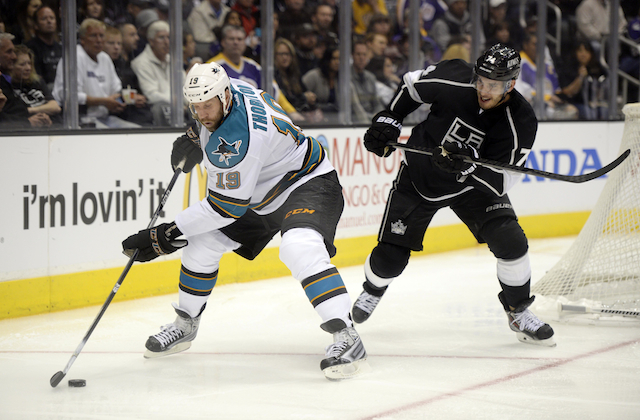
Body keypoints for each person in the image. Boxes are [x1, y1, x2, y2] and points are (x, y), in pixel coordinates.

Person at [121, 62, 369, 380]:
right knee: (202, 243)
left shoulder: (240, 141)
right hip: (257, 192)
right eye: (194, 107)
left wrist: (164, 235)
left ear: (224, 97)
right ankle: (186, 324)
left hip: (306, 183)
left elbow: (224, 209)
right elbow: (210, 125)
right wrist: (196, 136)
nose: (201, 112)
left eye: (206, 106)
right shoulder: (227, 87)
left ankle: (347, 336)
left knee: (299, 247)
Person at [352, 43, 556, 347]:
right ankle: (373, 289)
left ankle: (518, 310)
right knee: (390, 260)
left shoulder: (521, 120)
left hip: (472, 188)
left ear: (511, 84)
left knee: (511, 241)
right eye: (481, 81)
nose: (484, 90)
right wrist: (390, 118)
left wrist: (467, 167)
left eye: (495, 85)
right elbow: (411, 86)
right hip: (421, 178)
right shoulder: (455, 77)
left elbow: (503, 181)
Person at [52, 18, 140, 129]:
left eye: (101, 36)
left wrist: (118, 102)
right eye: (93, 36)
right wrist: (104, 101)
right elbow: (69, 96)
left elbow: (115, 89)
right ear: (83, 39)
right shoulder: (74, 58)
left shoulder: (105, 58)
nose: (98, 40)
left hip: (105, 117)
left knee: (135, 130)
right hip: (79, 119)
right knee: (106, 135)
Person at [131, 20, 186, 126]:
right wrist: (178, 104)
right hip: (157, 113)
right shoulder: (141, 63)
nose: (166, 42)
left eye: (169, 37)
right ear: (151, 41)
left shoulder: (174, 61)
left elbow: (186, 88)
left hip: (180, 109)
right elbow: (152, 95)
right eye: (161, 37)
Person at [11, 45, 62, 125]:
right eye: (22, 64)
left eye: (29, 63)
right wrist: (44, 110)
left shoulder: (37, 81)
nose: (28, 68)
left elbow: (55, 107)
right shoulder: (8, 87)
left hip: (55, 124)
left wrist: (27, 110)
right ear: (11, 66)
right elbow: (13, 114)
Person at [25, 5, 62, 91]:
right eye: (44, 19)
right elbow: (35, 78)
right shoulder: (30, 48)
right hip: (43, 91)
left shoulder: (60, 48)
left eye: (52, 18)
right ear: (36, 25)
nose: (49, 21)